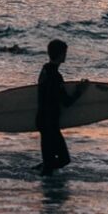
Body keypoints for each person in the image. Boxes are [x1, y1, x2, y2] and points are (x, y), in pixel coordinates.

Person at [36, 39, 82, 174]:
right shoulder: (55, 76)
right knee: (63, 160)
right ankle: (38, 176)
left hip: (43, 121)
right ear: (61, 54)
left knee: (49, 162)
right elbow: (66, 102)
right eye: (65, 52)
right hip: (50, 124)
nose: (66, 55)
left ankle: (39, 176)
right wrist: (80, 91)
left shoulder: (45, 69)